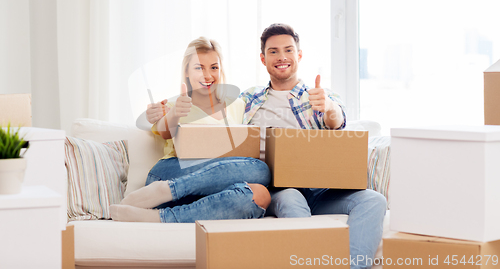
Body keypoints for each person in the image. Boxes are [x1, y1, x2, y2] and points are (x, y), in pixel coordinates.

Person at [237, 23, 386, 269]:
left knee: (374, 200)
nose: (282, 56)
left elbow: (337, 122)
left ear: (299, 55)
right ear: (263, 59)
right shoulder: (247, 100)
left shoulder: (319, 95)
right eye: (273, 51)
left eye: (288, 50)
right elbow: (222, 126)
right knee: (293, 197)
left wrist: (329, 108)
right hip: (278, 188)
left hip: (320, 190)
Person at [110, 37, 271, 223]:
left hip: (212, 188)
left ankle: (159, 217)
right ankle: (169, 189)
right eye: (199, 68)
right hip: (170, 174)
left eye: (214, 67)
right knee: (260, 170)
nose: (208, 75)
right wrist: (175, 113)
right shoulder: (175, 104)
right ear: (186, 70)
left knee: (260, 190)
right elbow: (164, 132)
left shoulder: (237, 105)